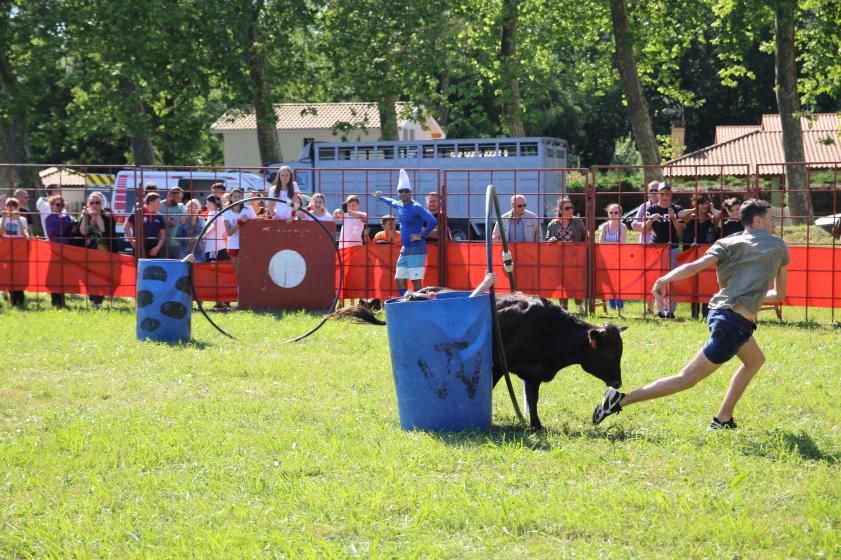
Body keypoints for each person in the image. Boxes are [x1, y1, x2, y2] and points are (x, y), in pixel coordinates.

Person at [592, 199, 789, 431]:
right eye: (771, 218)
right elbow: (778, 296)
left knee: (755, 360)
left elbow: (697, 265)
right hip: (735, 324)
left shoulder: (726, 242)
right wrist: (751, 297)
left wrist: (665, 278)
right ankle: (619, 401)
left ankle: (723, 418)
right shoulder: (777, 246)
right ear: (757, 221)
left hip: (719, 313)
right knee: (686, 379)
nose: (774, 222)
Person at [372, 169, 437, 295]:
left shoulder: (416, 207)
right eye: (401, 191)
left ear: (410, 192)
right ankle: (406, 302)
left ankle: (418, 305)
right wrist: (381, 197)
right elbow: (391, 202)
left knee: (416, 281)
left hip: (417, 249)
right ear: (398, 193)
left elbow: (432, 221)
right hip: (405, 249)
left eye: (406, 191)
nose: (403, 193)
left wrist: (421, 235)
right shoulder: (400, 204)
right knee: (399, 279)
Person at [641, 182, 685, 318]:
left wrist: (673, 219)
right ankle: (660, 310)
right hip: (657, 249)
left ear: (670, 194)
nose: (665, 196)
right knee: (659, 280)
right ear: (658, 194)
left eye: (667, 193)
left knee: (672, 279)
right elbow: (644, 230)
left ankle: (670, 310)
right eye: (662, 193)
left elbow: (681, 232)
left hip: (673, 248)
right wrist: (650, 220)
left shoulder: (677, 209)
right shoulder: (652, 209)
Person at [679, 192, 722, 319]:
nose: (705, 205)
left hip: (706, 255)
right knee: (693, 284)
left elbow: (719, 215)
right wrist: (694, 208)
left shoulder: (711, 218)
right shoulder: (690, 217)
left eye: (707, 202)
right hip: (691, 255)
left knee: (706, 282)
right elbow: (679, 215)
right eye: (702, 203)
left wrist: (711, 208)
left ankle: (705, 312)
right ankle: (694, 314)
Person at [546, 196, 587, 314]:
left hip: (575, 259)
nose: (570, 210)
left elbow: (585, 238)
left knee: (576, 284)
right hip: (559, 260)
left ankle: (580, 306)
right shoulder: (553, 224)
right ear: (560, 210)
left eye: (571, 208)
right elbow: (547, 239)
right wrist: (552, 239)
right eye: (567, 208)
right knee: (561, 285)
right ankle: (564, 309)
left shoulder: (578, 221)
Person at [79, 191, 118, 308]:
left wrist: (98, 216)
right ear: (88, 204)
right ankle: (92, 300)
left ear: (102, 204)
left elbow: (104, 230)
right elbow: (82, 232)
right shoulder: (84, 216)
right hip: (88, 252)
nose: (95, 205)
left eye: (97, 202)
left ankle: (99, 302)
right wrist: (86, 217)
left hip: (103, 253)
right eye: (92, 203)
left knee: (101, 277)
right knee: (89, 277)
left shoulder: (107, 216)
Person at [632, 182, 660, 313]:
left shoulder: (666, 206)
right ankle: (649, 309)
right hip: (646, 247)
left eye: (656, 189)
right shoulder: (644, 207)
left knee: (661, 277)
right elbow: (634, 225)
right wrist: (649, 224)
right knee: (648, 278)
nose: (654, 192)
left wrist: (647, 227)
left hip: (661, 247)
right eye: (651, 189)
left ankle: (663, 309)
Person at [44, 195, 75, 308]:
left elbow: (72, 225)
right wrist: (67, 220)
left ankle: (62, 301)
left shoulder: (65, 217)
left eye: (62, 205)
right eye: (57, 205)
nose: (60, 207)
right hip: (55, 252)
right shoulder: (50, 218)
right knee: (54, 277)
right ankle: (55, 301)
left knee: (63, 277)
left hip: (66, 251)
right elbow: (58, 229)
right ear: (51, 205)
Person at [598, 203, 628, 312]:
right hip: (606, 259)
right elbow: (600, 242)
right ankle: (612, 307)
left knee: (619, 283)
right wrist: (614, 243)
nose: (614, 214)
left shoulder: (623, 227)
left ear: (620, 213)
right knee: (609, 284)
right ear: (608, 214)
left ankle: (620, 307)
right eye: (611, 212)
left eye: (616, 212)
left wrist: (608, 243)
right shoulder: (605, 226)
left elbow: (622, 243)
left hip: (619, 259)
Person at [1, 197, 29, 307]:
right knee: (8, 275)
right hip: (6, 252)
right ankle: (13, 299)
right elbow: (1, 232)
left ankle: (20, 298)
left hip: (19, 252)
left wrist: (17, 220)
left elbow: (24, 234)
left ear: (18, 208)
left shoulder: (22, 219)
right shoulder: (2, 219)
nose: (11, 209)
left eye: (14, 206)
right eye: (9, 206)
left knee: (19, 274)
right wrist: (3, 219)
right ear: (5, 208)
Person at [223, 187, 257, 277]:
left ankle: (242, 290)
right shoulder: (226, 212)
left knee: (241, 270)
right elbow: (229, 232)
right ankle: (239, 289)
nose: (237, 198)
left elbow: (255, 225)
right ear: (230, 198)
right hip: (233, 244)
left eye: (239, 196)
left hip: (245, 244)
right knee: (236, 271)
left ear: (242, 198)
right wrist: (240, 222)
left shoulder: (248, 209)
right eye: (235, 196)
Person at [124, 192, 167, 258]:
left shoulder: (159, 216)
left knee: (153, 268)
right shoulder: (138, 212)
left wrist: (157, 248)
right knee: (138, 267)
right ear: (151, 202)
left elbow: (163, 234)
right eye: (157, 202)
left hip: (153, 250)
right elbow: (126, 227)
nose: (159, 205)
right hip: (139, 248)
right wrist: (132, 241)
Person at [160, 186, 185, 258]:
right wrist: (164, 224)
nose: (180, 200)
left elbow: (184, 222)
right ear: (170, 196)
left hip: (175, 244)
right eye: (178, 198)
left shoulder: (181, 207)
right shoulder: (159, 205)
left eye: (181, 198)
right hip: (161, 244)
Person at [203, 195, 227, 262]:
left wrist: (203, 235)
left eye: (207, 203)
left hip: (212, 248)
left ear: (213, 203)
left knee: (212, 270)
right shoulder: (222, 213)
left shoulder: (212, 213)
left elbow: (214, 226)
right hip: (222, 247)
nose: (206, 205)